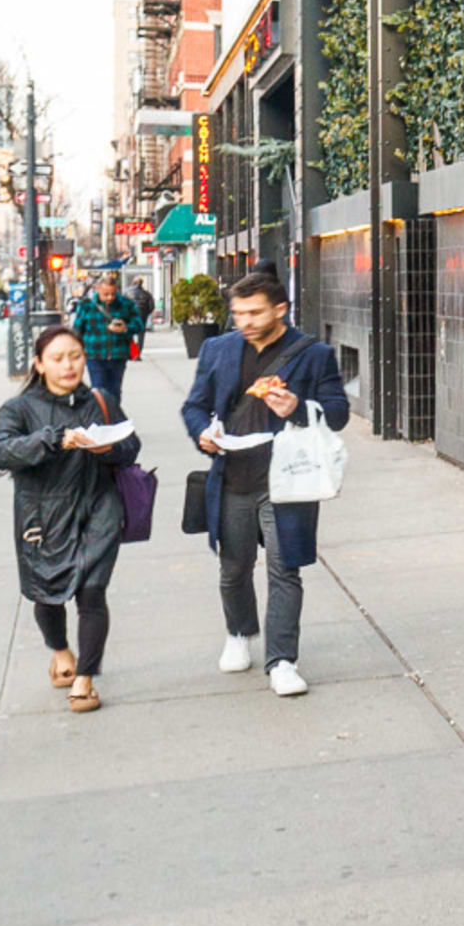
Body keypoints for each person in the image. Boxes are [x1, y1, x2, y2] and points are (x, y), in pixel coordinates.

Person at [178, 265, 347, 697]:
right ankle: (239, 632)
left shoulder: (313, 354)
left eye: (254, 312)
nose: (245, 322)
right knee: (232, 569)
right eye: (238, 313)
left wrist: (298, 407)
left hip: (288, 480)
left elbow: (338, 412)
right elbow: (194, 407)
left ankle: (283, 660)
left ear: (281, 309)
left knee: (284, 569)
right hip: (232, 474)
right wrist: (203, 434)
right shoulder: (217, 349)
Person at [0, 320, 133, 711]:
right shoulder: (18, 408)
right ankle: (60, 651)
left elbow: (130, 445)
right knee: (47, 595)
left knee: (92, 593)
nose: (68, 366)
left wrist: (108, 450)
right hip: (42, 515)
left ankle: (84, 680)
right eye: (57, 358)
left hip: (99, 507)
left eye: (75, 356)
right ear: (39, 364)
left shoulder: (100, 401)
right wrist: (54, 439)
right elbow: (1, 451)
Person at [71, 269, 135, 412]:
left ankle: (114, 419)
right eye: (105, 294)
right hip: (95, 354)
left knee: (115, 391)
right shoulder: (87, 305)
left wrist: (126, 328)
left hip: (118, 354)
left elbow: (139, 324)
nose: (109, 297)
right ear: (97, 290)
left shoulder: (125, 304)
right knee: (98, 389)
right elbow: (77, 329)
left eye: (113, 293)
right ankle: (101, 419)